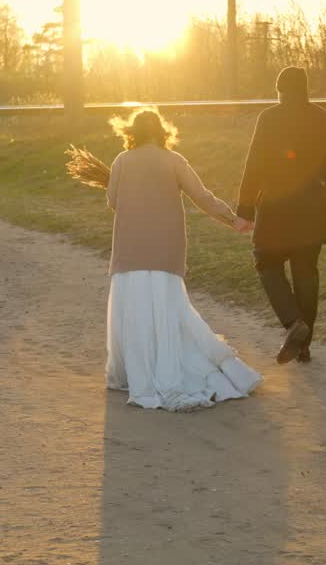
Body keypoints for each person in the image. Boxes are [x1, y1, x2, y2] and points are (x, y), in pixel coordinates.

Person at [104, 108, 262, 411]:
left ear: (132, 132)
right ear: (162, 131)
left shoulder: (121, 161)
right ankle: (182, 368)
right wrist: (233, 220)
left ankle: (138, 374)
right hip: (166, 250)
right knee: (168, 311)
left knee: (134, 315)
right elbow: (202, 197)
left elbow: (112, 201)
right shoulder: (174, 161)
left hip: (130, 250)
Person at [237, 67, 326, 365]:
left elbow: (254, 164)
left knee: (266, 261)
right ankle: (304, 346)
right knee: (306, 272)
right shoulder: (323, 119)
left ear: (279, 90)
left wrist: (245, 210)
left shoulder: (269, 118)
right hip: (314, 212)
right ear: (306, 90)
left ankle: (293, 323)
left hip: (276, 209)